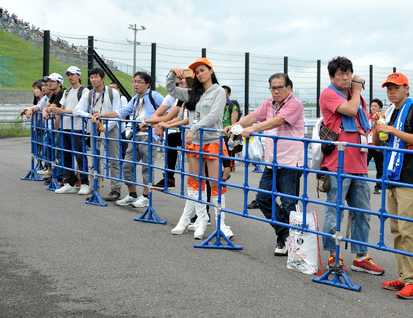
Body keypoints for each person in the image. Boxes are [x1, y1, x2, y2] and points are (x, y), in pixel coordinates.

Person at [225, 72, 305, 255]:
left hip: (291, 162)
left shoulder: (295, 103)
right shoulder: (269, 102)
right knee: (262, 199)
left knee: (288, 203)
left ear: (289, 88)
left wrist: (251, 129)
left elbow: (278, 120)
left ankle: (287, 243)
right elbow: (253, 116)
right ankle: (287, 236)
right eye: (273, 87)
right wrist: (236, 126)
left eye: (280, 87)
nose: (276, 91)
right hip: (272, 162)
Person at [319, 56, 384, 276]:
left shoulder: (359, 99)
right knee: (334, 212)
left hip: (360, 163)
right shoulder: (329, 93)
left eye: (348, 73)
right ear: (331, 77)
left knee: (362, 212)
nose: (346, 78)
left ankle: (361, 257)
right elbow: (348, 110)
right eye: (340, 74)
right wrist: (356, 90)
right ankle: (332, 256)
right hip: (338, 163)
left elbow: (362, 124)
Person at [372, 73, 413, 300]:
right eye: (388, 87)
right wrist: (378, 126)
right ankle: (404, 275)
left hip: (411, 178)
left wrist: (391, 130)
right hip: (393, 175)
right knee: (397, 230)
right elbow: (378, 143)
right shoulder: (390, 112)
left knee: (409, 231)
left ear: (406, 89)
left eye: (396, 87)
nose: (391, 91)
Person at [166, 58, 232, 240]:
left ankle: (221, 222)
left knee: (214, 183)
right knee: (194, 181)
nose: (200, 73)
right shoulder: (193, 93)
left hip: (211, 141)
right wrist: (173, 71)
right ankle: (201, 219)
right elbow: (170, 90)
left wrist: (193, 128)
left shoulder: (218, 91)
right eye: (197, 71)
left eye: (203, 70)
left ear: (211, 70)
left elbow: (214, 115)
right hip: (194, 142)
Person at [96, 72, 164, 208]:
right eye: (134, 81)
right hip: (135, 135)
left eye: (139, 82)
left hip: (149, 136)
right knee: (127, 165)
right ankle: (132, 194)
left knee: (147, 167)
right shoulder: (135, 99)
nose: (136, 84)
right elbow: (121, 112)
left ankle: (145, 196)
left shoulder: (154, 96)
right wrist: (103, 115)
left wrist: (156, 125)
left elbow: (168, 112)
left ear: (147, 84)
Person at [73, 68, 123, 201]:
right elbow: (77, 110)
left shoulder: (113, 93)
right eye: (91, 77)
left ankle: (115, 189)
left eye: (96, 77)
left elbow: (117, 113)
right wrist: (89, 116)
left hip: (111, 129)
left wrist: (106, 127)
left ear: (103, 79)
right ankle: (95, 188)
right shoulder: (89, 94)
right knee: (95, 159)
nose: (93, 80)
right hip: (94, 129)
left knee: (114, 159)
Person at [53, 66, 90, 195]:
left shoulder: (84, 91)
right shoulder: (66, 92)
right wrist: (59, 111)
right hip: (66, 126)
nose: (70, 77)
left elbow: (81, 110)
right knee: (66, 155)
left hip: (78, 127)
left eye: (73, 74)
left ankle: (85, 183)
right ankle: (70, 182)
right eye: (68, 75)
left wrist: (62, 111)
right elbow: (62, 107)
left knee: (80, 156)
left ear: (79, 75)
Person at [367, 98, 385, 194]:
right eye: (372, 106)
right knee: (364, 163)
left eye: (375, 106)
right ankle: (362, 183)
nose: (373, 108)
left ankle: (378, 186)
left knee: (379, 167)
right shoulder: (367, 117)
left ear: (380, 109)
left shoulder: (382, 118)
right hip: (368, 145)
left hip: (378, 146)